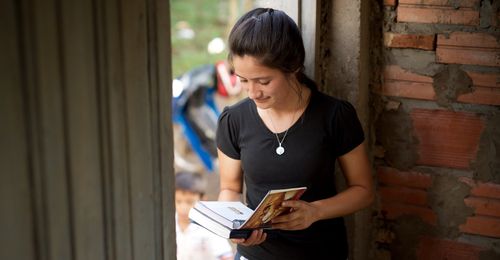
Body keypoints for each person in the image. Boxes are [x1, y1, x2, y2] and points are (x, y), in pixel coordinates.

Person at [216, 8, 374, 260]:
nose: (252, 92)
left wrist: (314, 211)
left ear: (293, 67)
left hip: (321, 252)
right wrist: (235, 226)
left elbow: (364, 190)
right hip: (254, 255)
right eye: (243, 80)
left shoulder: (334, 115)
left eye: (263, 81)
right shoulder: (233, 119)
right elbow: (229, 188)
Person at [175, 171, 234, 260]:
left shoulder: (211, 227)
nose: (183, 207)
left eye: (189, 202)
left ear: (203, 201)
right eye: (178, 201)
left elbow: (226, 256)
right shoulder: (167, 225)